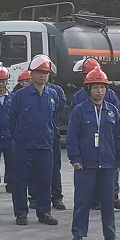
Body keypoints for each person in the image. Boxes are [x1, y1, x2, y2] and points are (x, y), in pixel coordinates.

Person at [66, 68, 120, 240]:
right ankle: (78, 232)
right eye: (95, 87)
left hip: (108, 163)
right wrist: (75, 159)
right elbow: (72, 137)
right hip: (86, 163)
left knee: (108, 200)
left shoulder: (112, 111)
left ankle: (110, 233)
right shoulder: (79, 111)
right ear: (88, 89)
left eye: (102, 87)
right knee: (82, 199)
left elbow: (119, 137)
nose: (100, 91)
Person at [9, 55, 60, 226]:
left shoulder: (52, 95)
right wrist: (19, 138)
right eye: (39, 72)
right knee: (20, 181)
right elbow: (12, 120)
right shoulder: (20, 95)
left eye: (45, 72)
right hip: (24, 146)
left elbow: (54, 117)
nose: (43, 75)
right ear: (31, 74)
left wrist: (50, 135)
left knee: (45, 180)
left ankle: (44, 212)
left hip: (45, 145)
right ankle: (21, 213)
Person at [72, 57, 120, 210]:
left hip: (106, 140)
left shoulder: (110, 96)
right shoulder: (79, 97)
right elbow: (74, 126)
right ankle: (94, 199)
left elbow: (117, 121)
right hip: (88, 141)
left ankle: (112, 196)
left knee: (109, 172)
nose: (99, 91)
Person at [47, 62, 68, 211]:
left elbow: (59, 107)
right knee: (37, 169)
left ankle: (56, 197)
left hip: (52, 134)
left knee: (55, 168)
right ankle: (37, 198)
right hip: (36, 136)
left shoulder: (56, 90)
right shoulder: (27, 92)